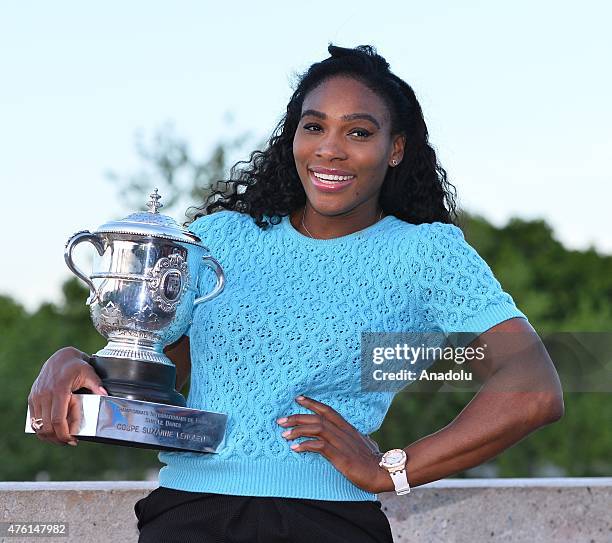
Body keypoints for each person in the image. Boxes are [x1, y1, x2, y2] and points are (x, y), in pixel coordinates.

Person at [28, 44, 564, 543]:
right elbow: (159, 366)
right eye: (314, 127)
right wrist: (73, 364)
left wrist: (392, 469)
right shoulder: (221, 238)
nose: (329, 149)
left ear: (395, 149)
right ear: (294, 138)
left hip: (325, 523)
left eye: (358, 132)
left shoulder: (426, 253)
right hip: (186, 516)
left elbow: (534, 387)